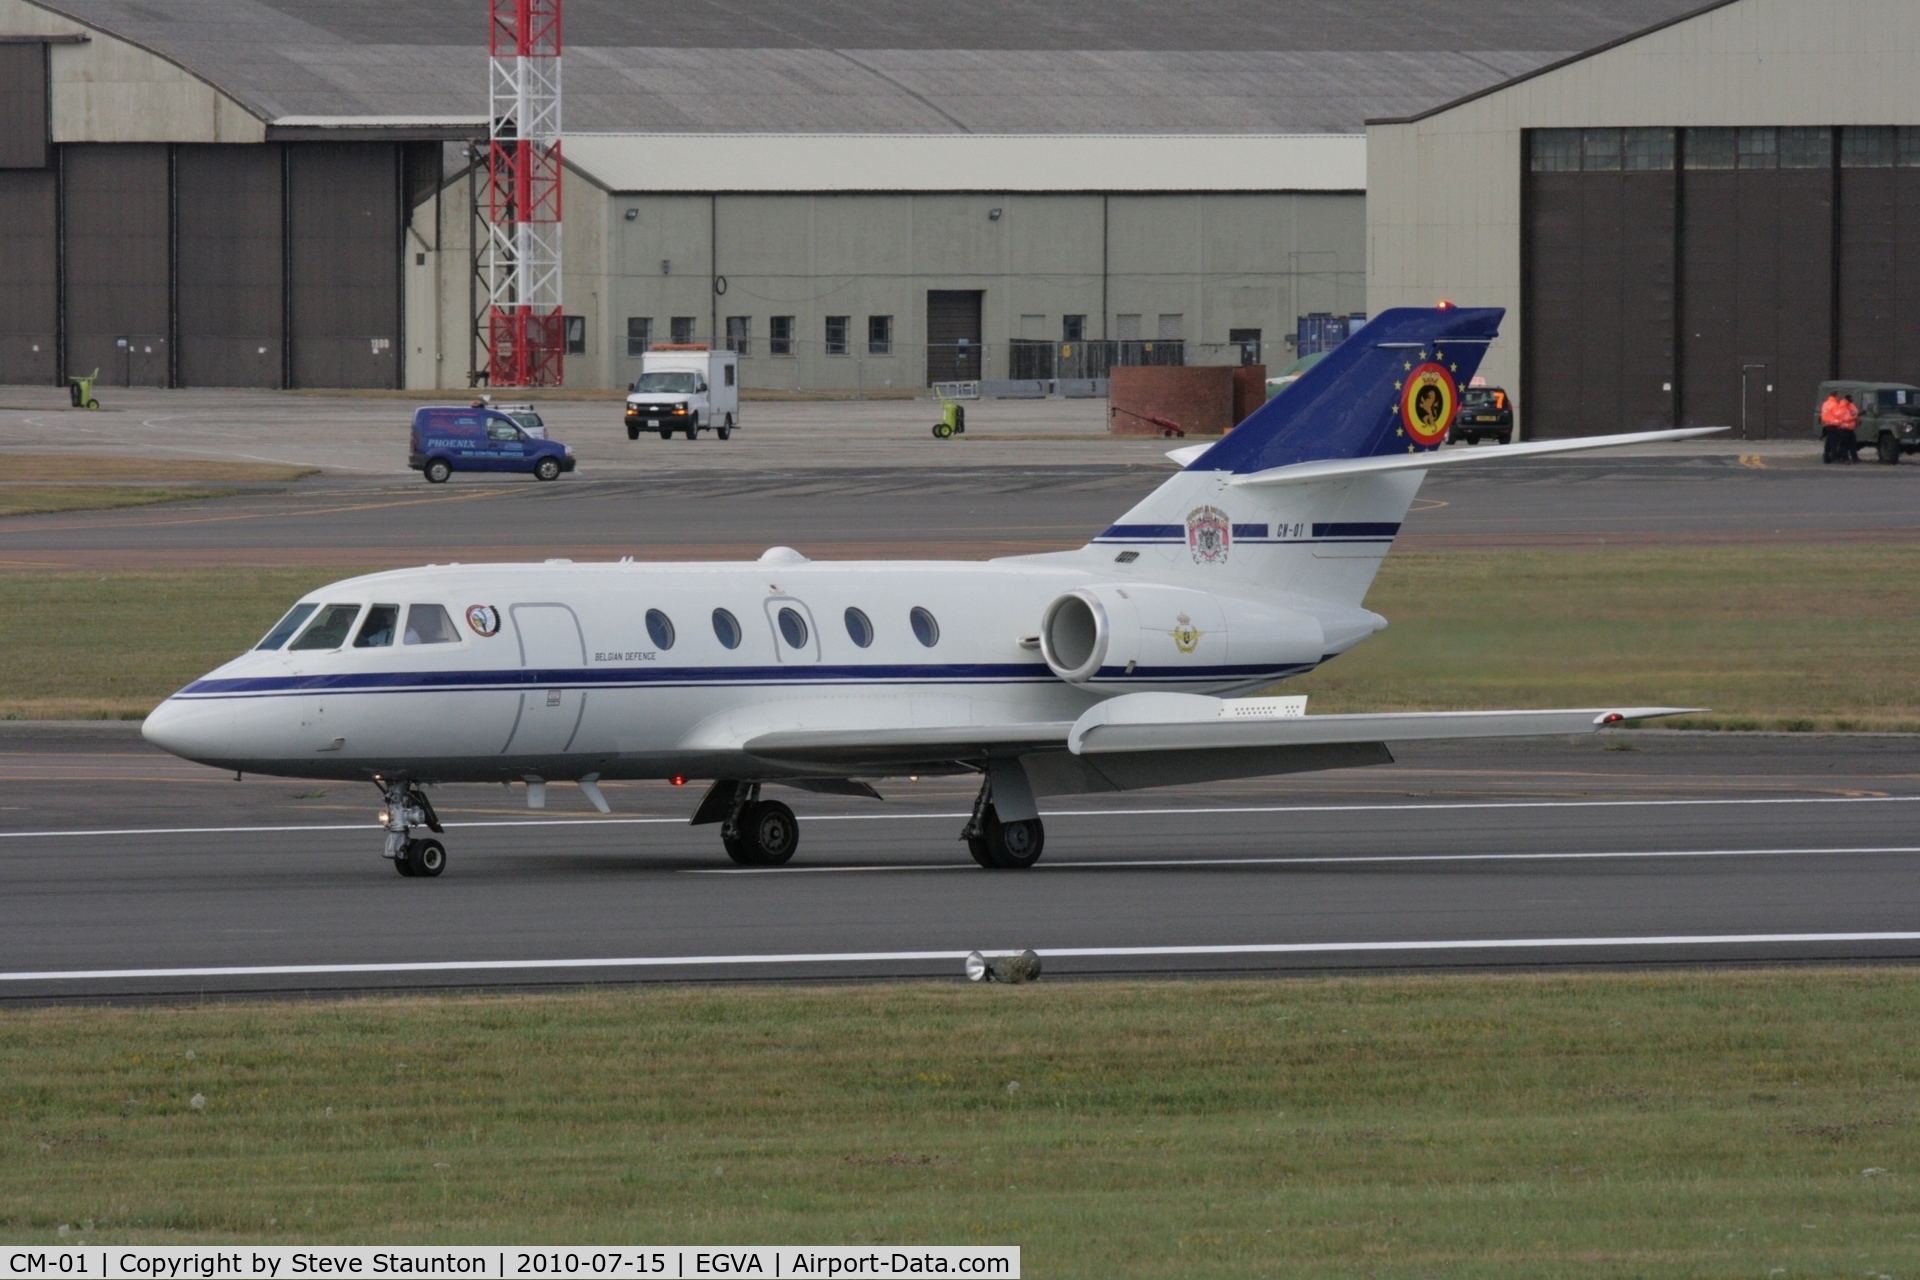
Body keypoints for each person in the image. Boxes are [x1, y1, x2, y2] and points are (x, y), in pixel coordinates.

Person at [1820, 392, 1848, 463]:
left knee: (1828, 442)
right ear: (1835, 396)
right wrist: (1843, 405)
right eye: (1838, 396)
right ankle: (1834, 457)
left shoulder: (1825, 403)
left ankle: (1826, 458)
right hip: (1834, 425)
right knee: (1835, 442)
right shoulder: (1834, 404)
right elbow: (1838, 413)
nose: (1839, 398)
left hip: (1827, 425)